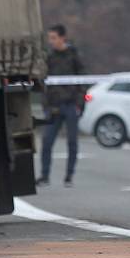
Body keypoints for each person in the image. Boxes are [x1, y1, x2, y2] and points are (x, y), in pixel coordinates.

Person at [39, 24, 85, 186]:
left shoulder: (73, 56)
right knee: (46, 142)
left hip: (71, 105)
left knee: (72, 142)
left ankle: (69, 177)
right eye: (49, 38)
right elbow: (45, 83)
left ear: (62, 38)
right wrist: (46, 105)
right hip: (54, 106)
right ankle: (44, 176)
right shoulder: (49, 57)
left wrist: (79, 104)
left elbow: (82, 80)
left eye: (54, 38)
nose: (51, 41)